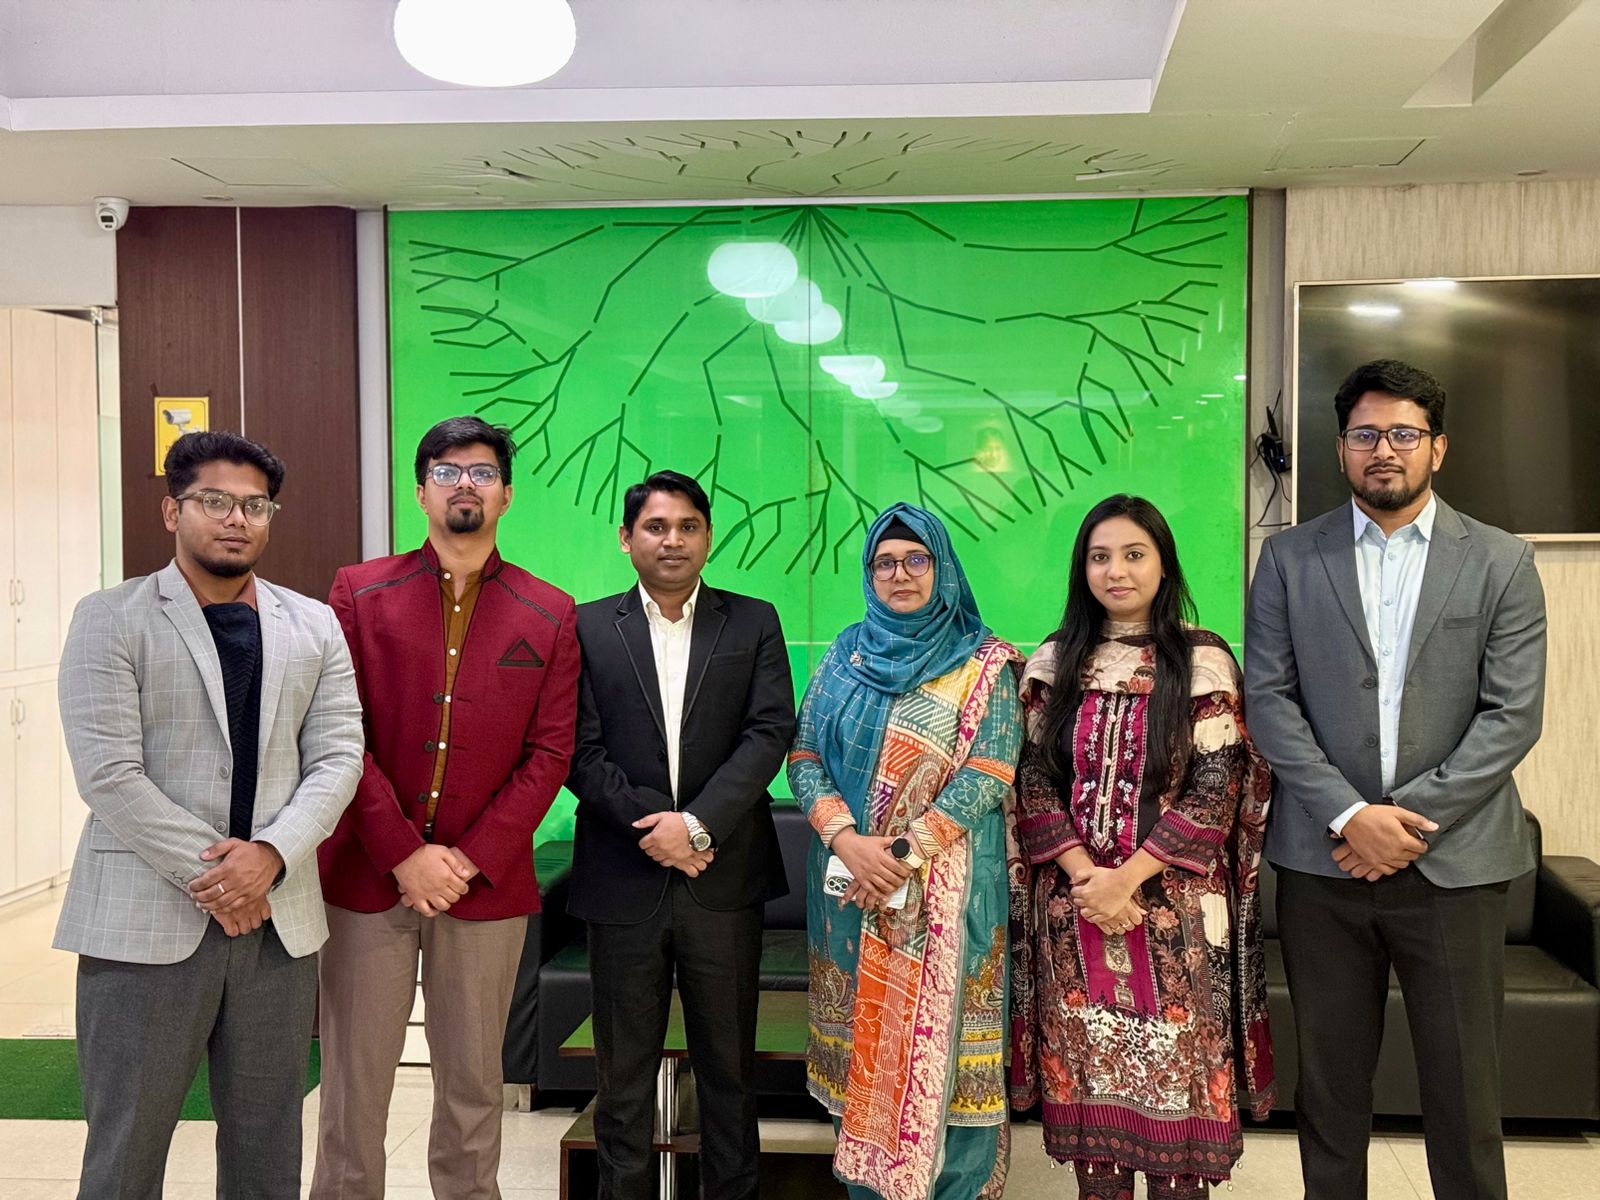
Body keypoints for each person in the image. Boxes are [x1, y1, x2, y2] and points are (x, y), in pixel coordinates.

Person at [1245, 359, 1547, 1200]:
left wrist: (1400, 822)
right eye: (1366, 434)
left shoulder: (1501, 560)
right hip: (1323, 864)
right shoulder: (1287, 558)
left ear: (1437, 448)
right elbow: (1269, 700)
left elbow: (1512, 716)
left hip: (1456, 865)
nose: (1385, 449)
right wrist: (1350, 815)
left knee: (1465, 1094)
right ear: (1341, 448)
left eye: (1404, 433)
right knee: (1330, 1092)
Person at [55, 431, 363, 1199]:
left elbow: (339, 756)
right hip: (145, 925)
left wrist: (271, 856)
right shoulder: (111, 617)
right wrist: (225, 876)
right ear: (173, 511)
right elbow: (108, 772)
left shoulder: (314, 624)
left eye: (255, 506)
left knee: (268, 1152)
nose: (236, 519)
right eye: (216, 501)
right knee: (126, 1152)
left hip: (278, 929)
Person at [311, 416, 581, 1200]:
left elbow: (550, 755)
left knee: (473, 1087)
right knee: (353, 1088)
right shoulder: (360, 593)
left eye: (483, 472)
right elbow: (337, 733)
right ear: (421, 490)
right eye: (448, 470)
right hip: (367, 877)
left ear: (507, 495)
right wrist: (403, 852)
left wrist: (465, 859)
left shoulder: (549, 611)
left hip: (485, 886)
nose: (466, 484)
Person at [1011, 494, 1275, 1200]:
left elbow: (1217, 785)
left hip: (1176, 912)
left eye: (1134, 555)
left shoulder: (1201, 659)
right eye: (1100, 557)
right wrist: (1085, 877)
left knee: (1177, 1099)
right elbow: (1033, 778)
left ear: (1163, 565)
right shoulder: (1054, 661)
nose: (1116, 571)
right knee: (1091, 1089)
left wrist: (1124, 880)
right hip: (1073, 913)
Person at [565, 470, 796, 1200]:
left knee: (729, 1072)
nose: (673, 540)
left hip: (722, 876)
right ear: (626, 538)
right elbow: (577, 749)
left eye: (688, 526)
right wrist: (656, 830)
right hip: (622, 876)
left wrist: (695, 826)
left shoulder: (753, 621)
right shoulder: (586, 626)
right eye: (656, 526)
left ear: (708, 536)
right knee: (623, 1078)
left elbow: (769, 732)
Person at [788, 502, 1024, 1200]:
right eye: (884, 563)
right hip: (848, 893)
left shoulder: (985, 663)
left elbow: (991, 770)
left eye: (916, 559)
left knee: (956, 1075)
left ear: (941, 568)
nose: (900, 574)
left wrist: (897, 854)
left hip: (951, 901)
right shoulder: (844, 655)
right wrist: (847, 840)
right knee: (862, 1063)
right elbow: (803, 755)